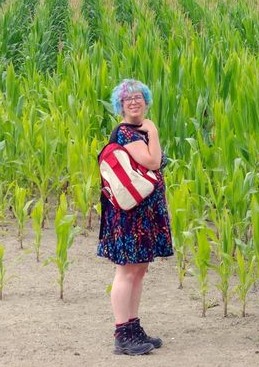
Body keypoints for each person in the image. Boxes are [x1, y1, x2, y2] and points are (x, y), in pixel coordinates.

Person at [97, 79, 173, 355]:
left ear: (146, 100)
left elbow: (156, 160)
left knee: (139, 270)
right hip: (130, 213)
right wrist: (153, 130)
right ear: (120, 104)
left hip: (144, 211)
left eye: (138, 97)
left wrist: (150, 134)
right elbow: (154, 161)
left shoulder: (139, 132)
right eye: (127, 98)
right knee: (127, 270)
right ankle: (122, 334)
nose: (134, 101)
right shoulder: (129, 134)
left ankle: (133, 326)